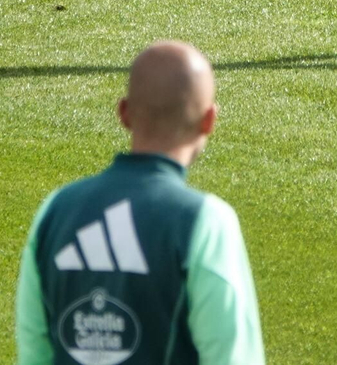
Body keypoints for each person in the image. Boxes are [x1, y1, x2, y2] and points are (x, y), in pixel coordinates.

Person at [15, 41, 265, 365]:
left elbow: (34, 353)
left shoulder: (55, 211)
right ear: (209, 120)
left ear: (124, 113)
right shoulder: (205, 222)